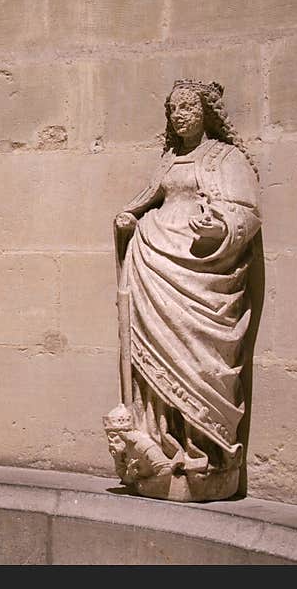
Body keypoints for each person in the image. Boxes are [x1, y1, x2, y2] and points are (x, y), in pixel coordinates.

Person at [105, 79, 261, 501]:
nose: (180, 114)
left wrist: (221, 227)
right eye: (174, 108)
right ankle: (161, 444)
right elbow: (141, 203)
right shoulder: (167, 163)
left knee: (202, 360)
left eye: (188, 106)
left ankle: (207, 451)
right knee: (155, 360)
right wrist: (125, 220)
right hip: (155, 263)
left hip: (202, 273)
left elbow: (246, 212)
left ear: (206, 112)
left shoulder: (226, 157)